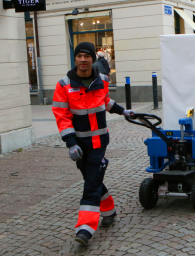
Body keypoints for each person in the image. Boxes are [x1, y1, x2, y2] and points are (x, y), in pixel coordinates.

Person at [52, 42, 135, 246]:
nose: (82, 59)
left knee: (91, 184)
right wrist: (70, 143)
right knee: (91, 178)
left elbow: (105, 101)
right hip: (79, 144)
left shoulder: (102, 80)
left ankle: (85, 228)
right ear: (75, 59)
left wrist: (123, 111)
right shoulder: (64, 85)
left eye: (86, 56)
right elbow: (61, 115)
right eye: (79, 56)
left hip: (99, 143)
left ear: (92, 59)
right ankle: (109, 210)